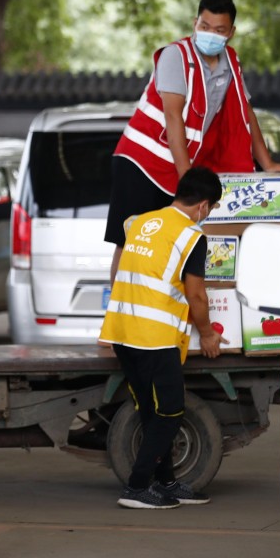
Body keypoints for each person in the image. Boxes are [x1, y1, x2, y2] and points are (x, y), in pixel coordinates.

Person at [106, 0, 280, 282]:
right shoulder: (175, 56)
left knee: (176, 240)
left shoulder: (230, 61)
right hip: (142, 161)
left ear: (231, 33)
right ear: (195, 23)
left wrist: (266, 162)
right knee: (132, 242)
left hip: (178, 166)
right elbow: (173, 118)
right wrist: (187, 179)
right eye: (204, 26)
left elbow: (244, 113)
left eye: (219, 30)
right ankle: (118, 307)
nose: (210, 34)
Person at [99, 167, 226, 509]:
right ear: (202, 206)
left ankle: (166, 482)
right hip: (153, 337)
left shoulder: (140, 222)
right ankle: (138, 487)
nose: (208, 214)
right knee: (170, 411)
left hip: (122, 331)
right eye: (211, 208)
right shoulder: (191, 236)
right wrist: (209, 334)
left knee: (152, 411)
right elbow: (197, 295)